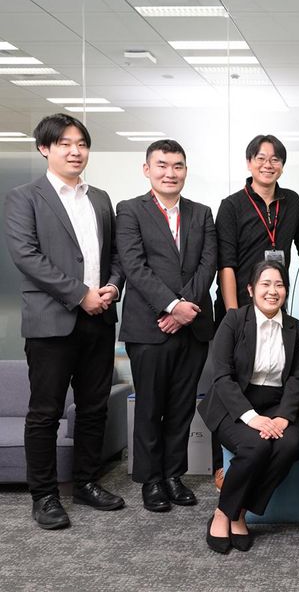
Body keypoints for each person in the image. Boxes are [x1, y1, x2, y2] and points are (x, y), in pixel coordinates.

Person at [5, 113, 126, 529]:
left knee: (94, 408)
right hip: (51, 323)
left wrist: (112, 287)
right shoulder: (25, 197)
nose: (75, 151)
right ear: (45, 148)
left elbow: (114, 255)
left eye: (82, 144)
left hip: (100, 318)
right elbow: (27, 257)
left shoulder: (100, 198)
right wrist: (80, 294)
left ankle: (87, 482)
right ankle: (44, 496)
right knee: (45, 412)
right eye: (65, 144)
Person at [213, 133, 299, 486]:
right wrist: (234, 315)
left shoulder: (291, 201)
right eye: (260, 158)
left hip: (273, 302)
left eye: (275, 159)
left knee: (273, 374)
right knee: (233, 381)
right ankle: (222, 464)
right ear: (249, 163)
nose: (267, 164)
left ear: (282, 166)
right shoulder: (232, 205)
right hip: (239, 305)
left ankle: (264, 441)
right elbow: (226, 264)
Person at [116, 139, 217, 512]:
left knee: (181, 406)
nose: (170, 173)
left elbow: (208, 263)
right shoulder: (129, 210)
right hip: (148, 328)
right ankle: (151, 480)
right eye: (162, 165)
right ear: (147, 169)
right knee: (150, 406)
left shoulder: (201, 213)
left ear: (186, 170)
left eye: (177, 166)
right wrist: (172, 306)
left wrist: (184, 308)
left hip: (193, 327)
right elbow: (134, 265)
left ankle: (174, 475)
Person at [198, 260, 299, 554]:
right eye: (265, 284)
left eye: (279, 285)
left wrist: (284, 417)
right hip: (233, 403)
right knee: (255, 446)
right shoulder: (234, 321)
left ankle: (238, 511)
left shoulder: (296, 329)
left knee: (288, 446)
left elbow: (298, 377)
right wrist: (250, 417)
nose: (273, 291)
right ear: (250, 289)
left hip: (276, 404)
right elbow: (222, 376)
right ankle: (223, 514)